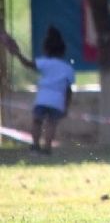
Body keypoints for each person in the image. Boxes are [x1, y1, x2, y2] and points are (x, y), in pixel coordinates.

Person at [0, 26, 75, 155]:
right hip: (57, 100)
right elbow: (68, 90)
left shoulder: (45, 63)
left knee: (37, 121)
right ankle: (47, 148)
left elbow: (27, 64)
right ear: (63, 50)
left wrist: (17, 53)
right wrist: (66, 106)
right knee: (51, 123)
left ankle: (35, 146)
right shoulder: (67, 68)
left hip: (43, 97)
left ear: (46, 49)